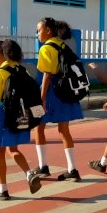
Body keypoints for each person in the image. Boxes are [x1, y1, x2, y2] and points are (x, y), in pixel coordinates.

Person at [0, 39, 42, 200]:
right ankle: (29, 174)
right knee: (13, 149)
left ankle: (3, 190)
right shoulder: (24, 71)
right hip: (20, 115)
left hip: (4, 115)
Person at [34, 17, 84, 182]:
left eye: (39, 30)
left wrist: (41, 99)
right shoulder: (63, 45)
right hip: (66, 92)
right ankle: (72, 169)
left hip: (51, 92)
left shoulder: (46, 48)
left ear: (48, 30)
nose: (37, 33)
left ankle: (43, 166)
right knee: (64, 130)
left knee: (38, 127)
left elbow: (47, 75)